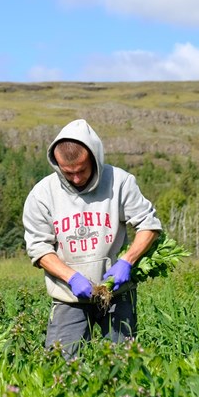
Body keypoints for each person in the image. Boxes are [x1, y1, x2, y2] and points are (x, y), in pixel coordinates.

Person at [23, 119, 162, 358]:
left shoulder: (120, 182)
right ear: (57, 165)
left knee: (123, 363)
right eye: (68, 173)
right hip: (69, 296)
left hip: (117, 294)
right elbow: (38, 248)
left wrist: (127, 261)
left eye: (82, 171)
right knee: (60, 364)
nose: (76, 179)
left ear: (95, 159)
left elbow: (149, 225)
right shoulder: (42, 194)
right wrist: (72, 277)